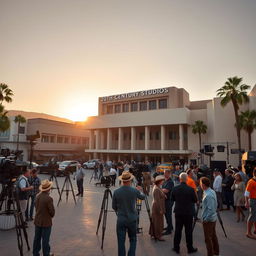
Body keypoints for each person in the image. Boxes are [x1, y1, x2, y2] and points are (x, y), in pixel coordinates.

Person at [112, 171, 145, 256]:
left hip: (121, 219)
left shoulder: (116, 192)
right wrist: (141, 190)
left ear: (122, 180)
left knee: (121, 241)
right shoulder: (134, 191)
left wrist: (120, 211)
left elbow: (114, 207)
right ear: (130, 180)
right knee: (133, 239)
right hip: (132, 219)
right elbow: (143, 197)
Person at [171, 173, 198, 254]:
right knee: (188, 231)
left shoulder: (175, 188)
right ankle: (190, 248)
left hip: (178, 212)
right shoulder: (190, 189)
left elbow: (172, 199)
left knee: (178, 230)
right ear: (186, 179)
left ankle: (176, 248)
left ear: (180, 179)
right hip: (188, 212)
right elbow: (195, 200)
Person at [33, 179, 55, 256]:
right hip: (46, 222)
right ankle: (46, 253)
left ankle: (35, 253)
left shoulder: (37, 196)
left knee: (37, 238)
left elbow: (36, 207)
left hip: (37, 220)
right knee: (45, 240)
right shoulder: (49, 199)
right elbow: (52, 213)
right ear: (48, 189)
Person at [200, 177, 219, 256]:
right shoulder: (210, 191)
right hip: (213, 218)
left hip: (209, 220)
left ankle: (211, 254)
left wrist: (206, 219)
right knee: (213, 236)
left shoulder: (208, 194)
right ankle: (216, 253)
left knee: (208, 239)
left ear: (203, 185)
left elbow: (210, 210)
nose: (200, 185)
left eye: (201, 184)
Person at [150, 175, 166, 241]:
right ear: (159, 181)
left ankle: (154, 234)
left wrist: (163, 195)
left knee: (156, 221)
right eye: (162, 180)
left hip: (157, 206)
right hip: (157, 207)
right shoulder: (156, 188)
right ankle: (158, 235)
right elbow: (157, 200)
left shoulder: (157, 187)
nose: (163, 181)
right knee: (158, 222)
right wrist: (160, 209)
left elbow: (160, 194)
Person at [245, 168, 256, 240]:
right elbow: (246, 193)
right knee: (252, 215)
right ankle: (248, 233)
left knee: (255, 215)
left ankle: (255, 230)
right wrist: (246, 202)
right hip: (252, 200)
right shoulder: (251, 181)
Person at [162, 169, 174, 235]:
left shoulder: (170, 182)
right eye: (164, 173)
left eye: (165, 173)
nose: (164, 174)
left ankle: (169, 230)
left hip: (169, 200)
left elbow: (166, 190)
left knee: (168, 215)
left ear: (169, 174)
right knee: (166, 214)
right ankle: (170, 226)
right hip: (166, 200)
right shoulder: (165, 181)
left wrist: (160, 189)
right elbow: (164, 189)